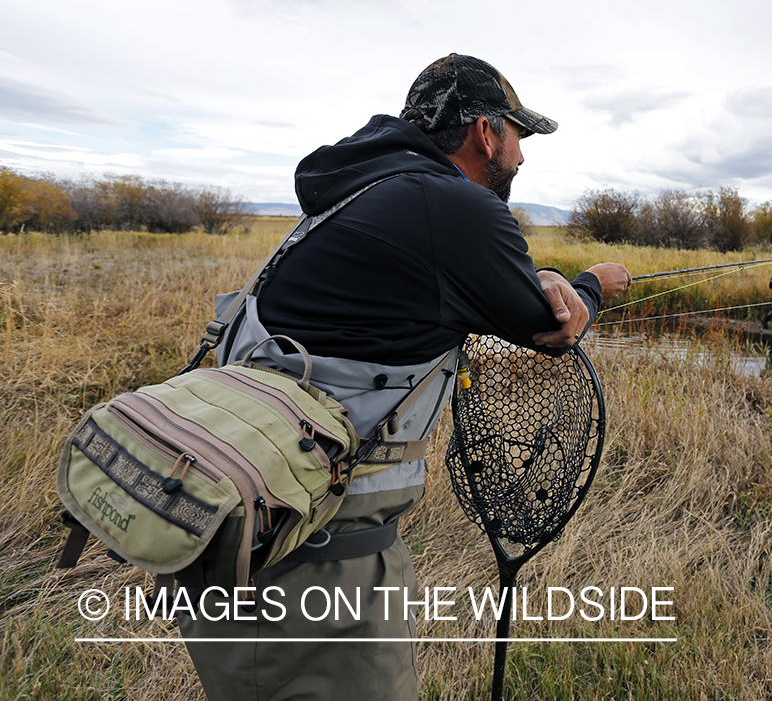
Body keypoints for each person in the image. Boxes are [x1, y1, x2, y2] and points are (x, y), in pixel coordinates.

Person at [177, 53, 632, 701]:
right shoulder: (451, 205)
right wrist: (593, 283)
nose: (522, 158)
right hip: (315, 557)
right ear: (484, 132)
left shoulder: (354, 194)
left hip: (240, 520)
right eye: (518, 137)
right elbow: (550, 329)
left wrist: (543, 280)